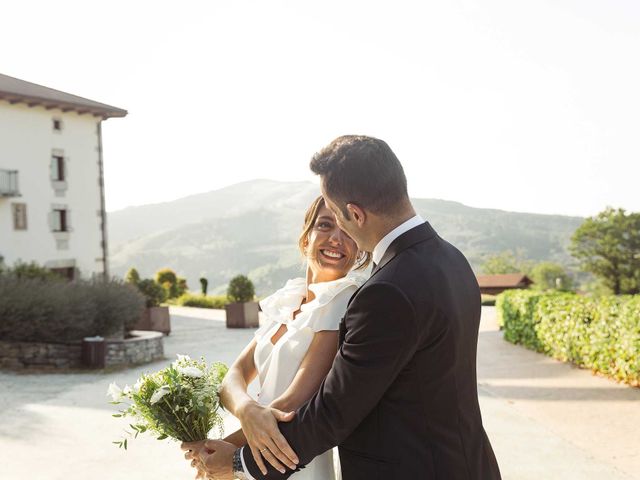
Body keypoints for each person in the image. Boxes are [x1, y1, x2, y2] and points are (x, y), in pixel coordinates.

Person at [195, 135, 502, 479]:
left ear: (355, 213)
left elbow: (332, 413)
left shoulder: (386, 292)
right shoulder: (452, 260)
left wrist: (238, 462)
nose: (338, 232)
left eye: (337, 217)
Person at [182, 195, 370, 479]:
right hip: (253, 450)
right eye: (325, 225)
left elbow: (293, 404)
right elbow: (234, 376)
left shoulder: (343, 302)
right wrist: (246, 409)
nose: (336, 238)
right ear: (306, 236)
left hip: (290, 463)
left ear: (359, 249)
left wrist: (220, 452)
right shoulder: (289, 299)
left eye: (347, 230)